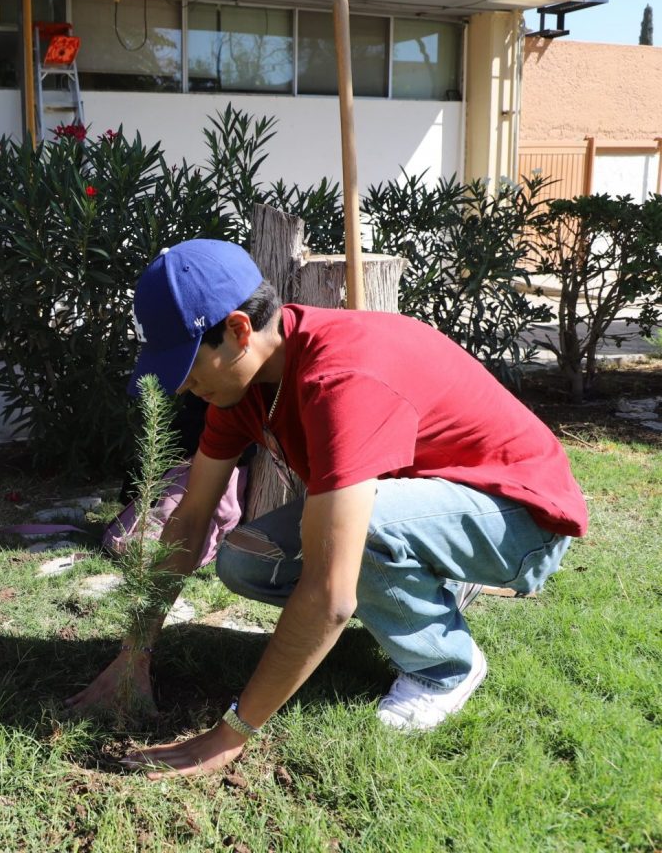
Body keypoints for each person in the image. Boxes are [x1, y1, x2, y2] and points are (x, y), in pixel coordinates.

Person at [66, 239, 587, 778]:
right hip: (428, 502)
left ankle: (443, 668)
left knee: (362, 535)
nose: (179, 386)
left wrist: (229, 735)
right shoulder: (242, 386)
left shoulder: (341, 377)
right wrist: (136, 651)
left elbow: (329, 595)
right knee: (245, 559)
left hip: (520, 521)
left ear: (240, 331)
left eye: (186, 363)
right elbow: (192, 517)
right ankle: (428, 588)